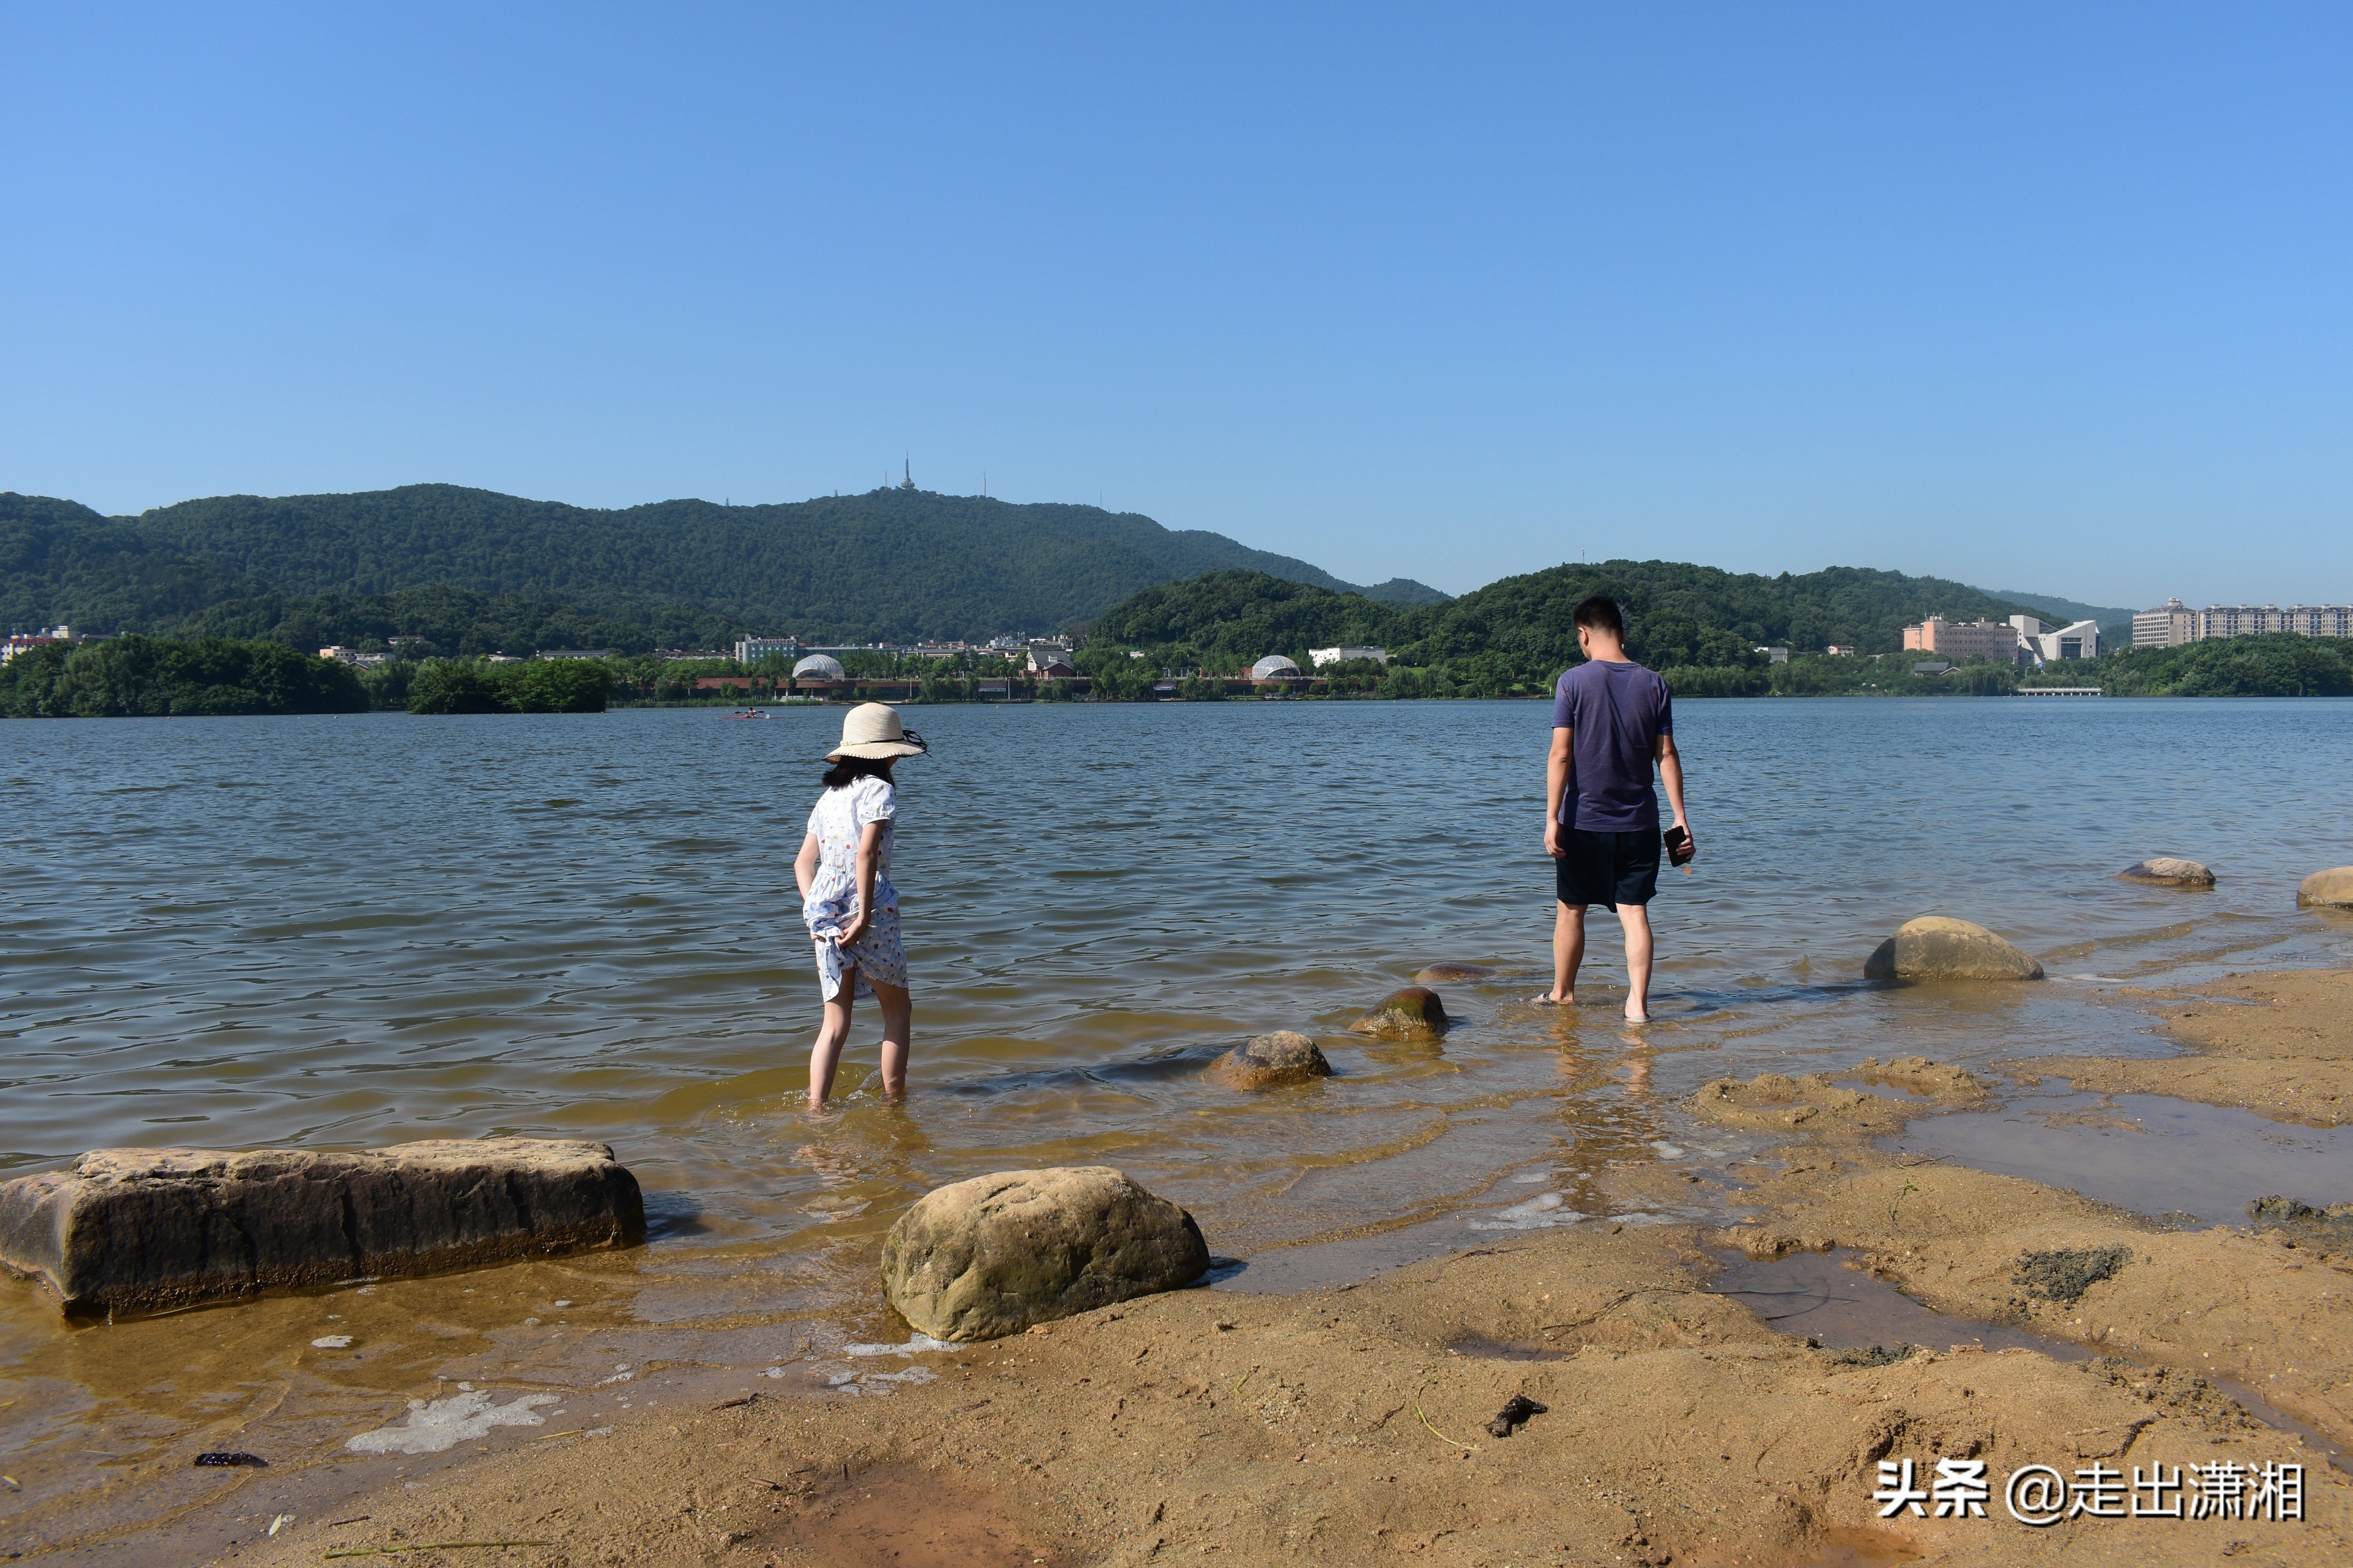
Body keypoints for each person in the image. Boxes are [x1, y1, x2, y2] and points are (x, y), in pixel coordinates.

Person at [1538, 594, 1692, 1021]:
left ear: (1583, 634)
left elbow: (1560, 755)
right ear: (1621, 633)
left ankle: (1562, 994)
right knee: (1634, 912)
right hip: (1640, 823)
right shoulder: (1655, 683)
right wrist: (1680, 818)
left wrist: (1551, 818)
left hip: (1582, 821)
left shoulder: (1571, 682)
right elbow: (1667, 755)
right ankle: (1637, 1005)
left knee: (1571, 908)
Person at [793, 702, 927, 1106]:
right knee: (897, 1009)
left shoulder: (829, 797)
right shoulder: (880, 789)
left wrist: (817, 911)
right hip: (871, 907)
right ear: (887, 752)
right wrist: (865, 912)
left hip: (825, 911)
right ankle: (894, 1103)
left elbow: (802, 862)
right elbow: (866, 855)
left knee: (834, 1022)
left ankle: (816, 1107)